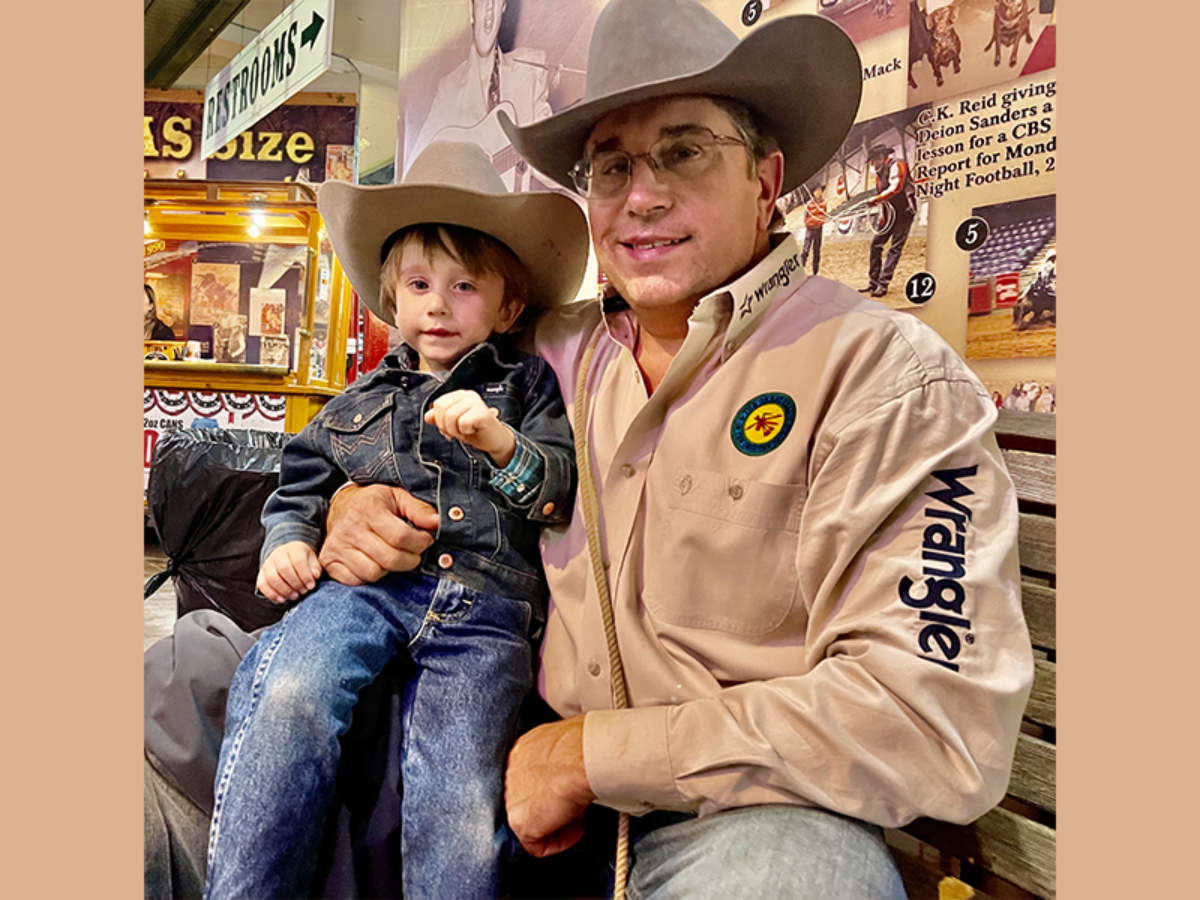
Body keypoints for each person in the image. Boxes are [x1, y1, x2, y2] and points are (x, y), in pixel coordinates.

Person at [320, 2, 1033, 898]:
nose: (643, 194)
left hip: (743, 819)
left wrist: (591, 757)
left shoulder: (882, 376)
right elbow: (376, 421)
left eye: (685, 151)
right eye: (612, 165)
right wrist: (348, 507)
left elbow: (932, 717)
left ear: (767, 180)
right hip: (492, 776)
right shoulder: (539, 354)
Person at [202, 140, 588, 900]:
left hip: (486, 610)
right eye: (419, 284)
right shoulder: (354, 402)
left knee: (458, 794)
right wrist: (288, 541)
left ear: (510, 305)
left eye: (466, 285)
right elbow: (300, 482)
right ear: (392, 300)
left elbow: (556, 486)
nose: (439, 304)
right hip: (364, 593)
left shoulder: (529, 384)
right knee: (286, 693)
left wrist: (497, 440)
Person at [410, 0, 554, 191]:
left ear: (503, 9)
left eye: (496, 2)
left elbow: (551, 165)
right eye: (482, 1)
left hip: (511, 214)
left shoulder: (530, 72)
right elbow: (418, 168)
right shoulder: (449, 87)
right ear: (471, 11)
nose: (489, 10)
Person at [861, 143, 917, 297]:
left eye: (873, 161)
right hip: (890, 214)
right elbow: (886, 199)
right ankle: (873, 282)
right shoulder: (880, 174)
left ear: (880, 158)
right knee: (875, 244)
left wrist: (877, 199)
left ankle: (883, 283)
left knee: (895, 248)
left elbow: (896, 188)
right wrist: (883, 216)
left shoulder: (898, 164)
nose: (872, 165)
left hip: (905, 212)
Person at [799, 184, 827, 275]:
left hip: (819, 228)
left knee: (816, 250)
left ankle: (815, 271)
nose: (819, 192)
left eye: (820, 190)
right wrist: (808, 223)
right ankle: (801, 268)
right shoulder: (809, 204)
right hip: (810, 228)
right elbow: (805, 216)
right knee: (806, 249)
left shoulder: (824, 203)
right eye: (817, 190)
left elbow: (824, 214)